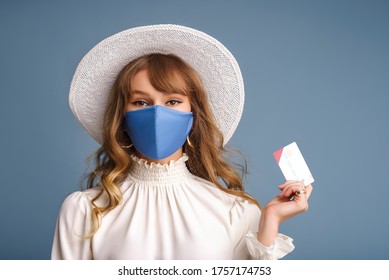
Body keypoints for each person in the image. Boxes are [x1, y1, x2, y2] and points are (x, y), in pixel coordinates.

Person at [51, 24, 313, 260]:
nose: (157, 113)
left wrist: (270, 222)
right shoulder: (84, 210)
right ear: (122, 117)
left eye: (173, 101)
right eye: (141, 102)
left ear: (192, 116)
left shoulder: (237, 209)